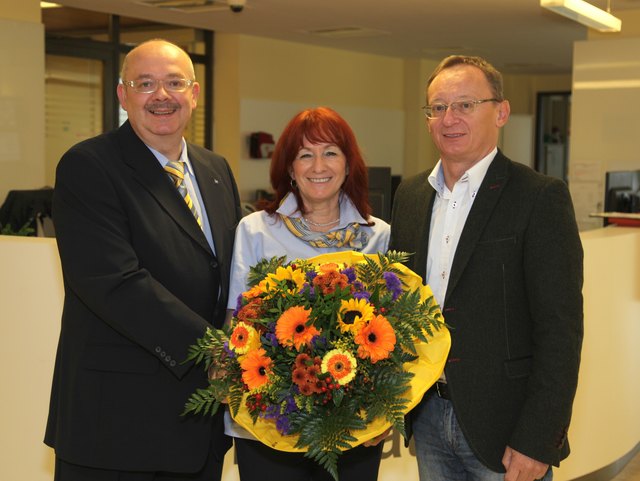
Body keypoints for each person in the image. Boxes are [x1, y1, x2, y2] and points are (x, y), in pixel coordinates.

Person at [44, 39, 242, 481]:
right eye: (145, 83)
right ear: (122, 94)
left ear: (193, 93)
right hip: (116, 428)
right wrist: (218, 349)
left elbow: (229, 273)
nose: (161, 96)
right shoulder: (89, 166)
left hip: (199, 427)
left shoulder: (216, 170)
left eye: (174, 83)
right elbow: (113, 282)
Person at [390, 55, 583, 481]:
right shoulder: (410, 196)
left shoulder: (538, 197)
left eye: (465, 104)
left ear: (500, 111)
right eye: (437, 107)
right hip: (427, 418)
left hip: (506, 431)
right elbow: (397, 310)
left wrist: (538, 439)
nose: (449, 118)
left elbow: (560, 331)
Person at [226, 106, 390, 481]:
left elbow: (391, 335)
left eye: (330, 152)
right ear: (289, 168)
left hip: (354, 424)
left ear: (349, 165)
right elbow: (236, 321)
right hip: (270, 423)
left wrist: (384, 410)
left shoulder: (377, 235)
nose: (319, 165)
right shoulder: (256, 230)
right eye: (305, 155)